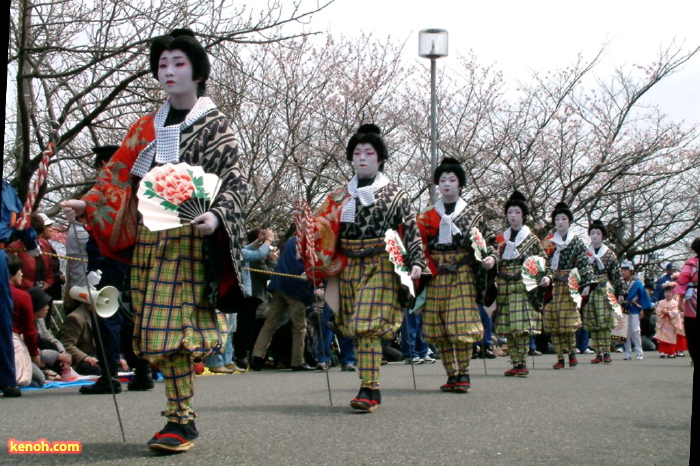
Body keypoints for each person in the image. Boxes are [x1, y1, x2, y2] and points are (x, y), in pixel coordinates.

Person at [60, 28, 247, 452]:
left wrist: (217, 216)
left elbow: (234, 182)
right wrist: (88, 204)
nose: (169, 71)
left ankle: (181, 421)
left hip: (189, 241)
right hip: (150, 239)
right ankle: (179, 418)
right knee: (156, 330)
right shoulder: (146, 126)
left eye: (178, 63)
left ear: (197, 71)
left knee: (177, 331)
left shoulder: (216, 128)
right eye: (162, 64)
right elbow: (116, 175)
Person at [303, 124, 425, 411]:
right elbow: (322, 231)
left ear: (380, 157)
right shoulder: (337, 195)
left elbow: (410, 230)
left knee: (367, 324)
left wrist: (416, 261)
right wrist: (314, 259)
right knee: (353, 326)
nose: (362, 157)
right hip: (347, 266)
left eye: (369, 152)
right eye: (357, 152)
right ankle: (370, 386)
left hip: (382, 263)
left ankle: (368, 387)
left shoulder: (396, 193)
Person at [416, 157, 494, 393]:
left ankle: (464, 373)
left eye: (452, 179)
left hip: (462, 274)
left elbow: (487, 243)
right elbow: (416, 245)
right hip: (436, 274)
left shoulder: (474, 215)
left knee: (460, 325)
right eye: (442, 180)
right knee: (438, 326)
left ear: (460, 184)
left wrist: (490, 257)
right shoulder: (426, 216)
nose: (447, 184)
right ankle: (451, 373)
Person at [493, 191, 546, 377]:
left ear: (523, 215)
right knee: (508, 325)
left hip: (521, 285)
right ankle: (516, 361)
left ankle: (521, 361)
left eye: (516, 212)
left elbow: (541, 261)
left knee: (520, 326)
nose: (513, 216)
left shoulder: (531, 240)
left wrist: (543, 277)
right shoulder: (501, 238)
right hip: (504, 284)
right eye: (509, 212)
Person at [540, 202, 594, 370]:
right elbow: (542, 261)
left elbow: (584, 264)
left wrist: (586, 283)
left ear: (569, 221)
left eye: (563, 218)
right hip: (552, 285)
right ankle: (559, 357)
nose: (560, 222)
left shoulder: (576, 242)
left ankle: (571, 353)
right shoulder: (548, 241)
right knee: (553, 322)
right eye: (557, 219)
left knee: (567, 323)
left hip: (569, 286)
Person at [250, 237, 316, 371]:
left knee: (270, 323)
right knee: (299, 326)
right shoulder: (310, 242)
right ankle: (297, 361)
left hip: (279, 284)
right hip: (295, 287)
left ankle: (257, 357)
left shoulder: (292, 240)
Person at [1, 179, 39, 397]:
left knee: (3, 319)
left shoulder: (7, 189)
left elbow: (22, 220)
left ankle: (7, 379)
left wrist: (31, 243)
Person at [233, 228, 275, 370]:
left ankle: (237, 357)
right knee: (242, 328)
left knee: (244, 327)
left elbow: (248, 249)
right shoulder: (236, 251)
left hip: (248, 293)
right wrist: (268, 240)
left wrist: (259, 241)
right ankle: (239, 357)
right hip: (246, 295)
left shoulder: (240, 250)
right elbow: (257, 255)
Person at [583, 219, 623, 364]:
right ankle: (598, 351)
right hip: (591, 289)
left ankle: (606, 351)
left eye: (598, 233)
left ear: (603, 236)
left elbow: (616, 274)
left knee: (605, 322)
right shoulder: (585, 253)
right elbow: (580, 272)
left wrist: (620, 292)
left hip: (605, 288)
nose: (594, 236)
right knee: (593, 321)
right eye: (592, 233)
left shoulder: (609, 254)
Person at [8, 255, 42, 387]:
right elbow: (29, 330)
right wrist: (34, 355)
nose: (21, 274)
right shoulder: (22, 296)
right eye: (19, 271)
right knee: (35, 379)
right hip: (13, 341)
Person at [8, 212, 56, 293]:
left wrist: (48, 282)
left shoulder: (44, 244)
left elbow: (52, 266)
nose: (39, 237)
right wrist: (30, 287)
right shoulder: (14, 248)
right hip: (24, 290)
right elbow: (12, 274)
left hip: (43, 291)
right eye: (37, 235)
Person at [618, 260, 652, 360]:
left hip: (634, 308)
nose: (623, 272)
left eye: (625, 270)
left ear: (631, 271)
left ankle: (639, 351)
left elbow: (643, 297)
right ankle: (627, 353)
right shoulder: (620, 283)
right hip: (623, 308)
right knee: (626, 331)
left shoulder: (637, 284)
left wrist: (642, 309)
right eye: (622, 269)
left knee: (635, 330)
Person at [674, 237, 699, 362]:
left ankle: (694, 356)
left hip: (693, 295)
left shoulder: (691, 263)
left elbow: (683, 280)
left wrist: (680, 299)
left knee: (692, 328)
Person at [655, 282, 682, 358]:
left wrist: (668, 313)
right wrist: (662, 312)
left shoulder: (675, 303)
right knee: (662, 337)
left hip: (670, 323)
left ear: (673, 293)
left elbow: (677, 312)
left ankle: (671, 352)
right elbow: (657, 311)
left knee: (670, 337)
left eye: (669, 292)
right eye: (666, 292)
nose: (667, 294)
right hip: (663, 323)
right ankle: (662, 351)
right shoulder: (661, 302)